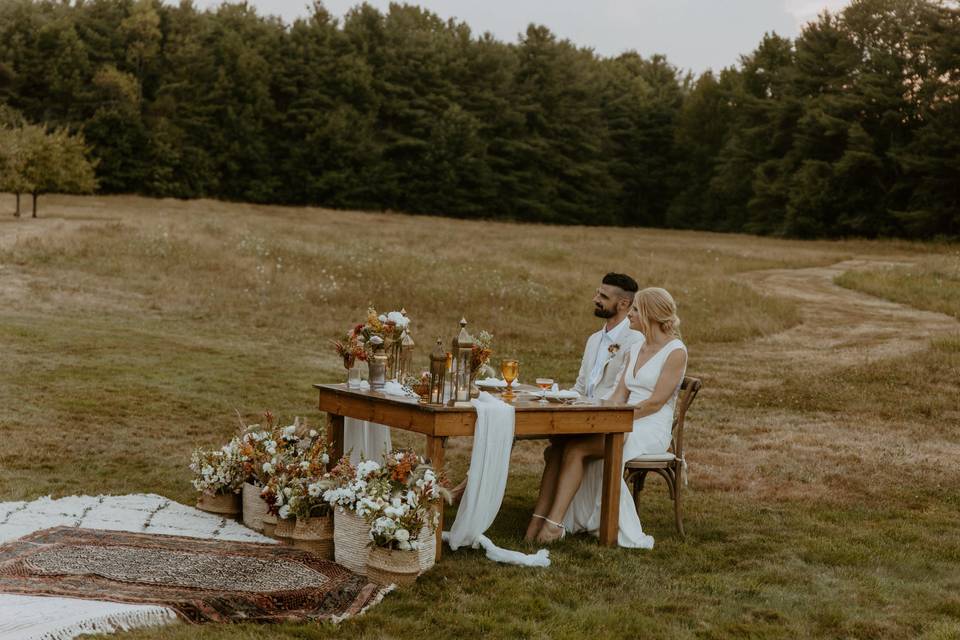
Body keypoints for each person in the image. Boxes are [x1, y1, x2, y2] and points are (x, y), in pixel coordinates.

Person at [526, 287, 687, 547]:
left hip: (650, 425)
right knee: (564, 444)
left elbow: (656, 402)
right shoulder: (637, 348)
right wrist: (598, 415)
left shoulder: (675, 351)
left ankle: (555, 524)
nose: (630, 314)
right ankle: (542, 518)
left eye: (635, 309)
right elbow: (618, 395)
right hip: (624, 417)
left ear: (650, 314)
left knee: (578, 450)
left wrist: (618, 419)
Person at [523, 272, 643, 541]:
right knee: (554, 450)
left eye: (603, 296)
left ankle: (553, 524)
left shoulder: (634, 342)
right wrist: (561, 400)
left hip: (613, 422)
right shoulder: (593, 340)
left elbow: (620, 394)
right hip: (585, 417)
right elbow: (580, 387)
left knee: (572, 448)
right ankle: (538, 521)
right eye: (597, 293)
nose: (595, 299)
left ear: (623, 304)